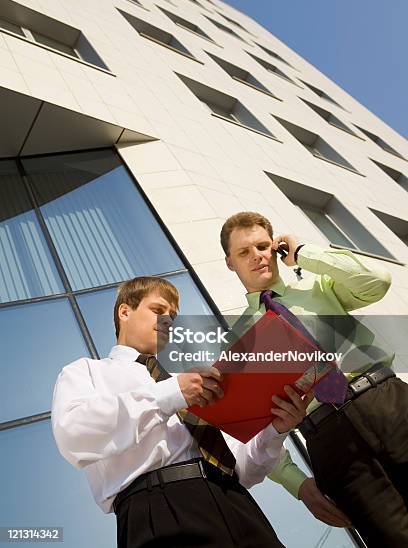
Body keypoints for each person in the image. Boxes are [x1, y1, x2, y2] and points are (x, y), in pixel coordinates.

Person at [51, 275, 313, 548]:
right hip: (157, 510)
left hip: (236, 503)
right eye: (157, 310)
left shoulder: (189, 381)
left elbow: (244, 470)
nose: (167, 321)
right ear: (125, 311)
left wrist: (276, 430)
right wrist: (173, 394)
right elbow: (74, 433)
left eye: (172, 316)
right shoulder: (87, 372)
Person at [220, 211, 408, 547]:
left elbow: (377, 281)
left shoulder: (317, 285)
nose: (257, 256)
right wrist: (299, 485)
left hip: (387, 402)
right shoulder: (240, 344)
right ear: (230, 263)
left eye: (263, 245)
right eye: (243, 252)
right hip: (328, 440)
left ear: (275, 246)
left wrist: (304, 253)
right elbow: (256, 432)